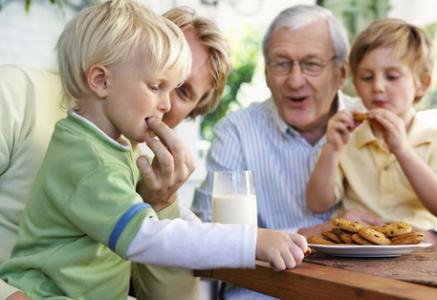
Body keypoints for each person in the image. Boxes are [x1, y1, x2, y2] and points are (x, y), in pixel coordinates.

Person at [0, 1, 308, 299]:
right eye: (156, 83)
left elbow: (170, 287)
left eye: (181, 91)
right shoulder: (39, 111)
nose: (167, 102)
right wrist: (251, 240)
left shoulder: (122, 151)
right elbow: (146, 237)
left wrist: (163, 204)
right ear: (103, 77)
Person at [191, 4, 362, 299]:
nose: (295, 81)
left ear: (341, 72)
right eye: (282, 64)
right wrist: (319, 232)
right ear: (267, 71)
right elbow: (206, 235)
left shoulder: (372, 126)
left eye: (311, 64)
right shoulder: (237, 131)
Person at [131, 6, 232, 300]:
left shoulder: (151, 181)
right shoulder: (22, 97)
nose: (163, 96)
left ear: (190, 115)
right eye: (166, 66)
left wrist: (161, 203)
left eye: (183, 91)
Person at [306, 19, 437, 230]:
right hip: (358, 245)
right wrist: (332, 149)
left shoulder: (432, 136)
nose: (377, 86)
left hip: (419, 248)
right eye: (367, 77)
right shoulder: (348, 135)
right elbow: (317, 204)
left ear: (422, 83)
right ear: (355, 83)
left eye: (392, 76)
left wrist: (402, 151)